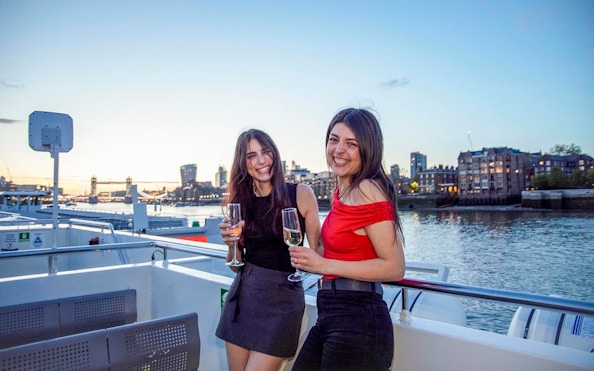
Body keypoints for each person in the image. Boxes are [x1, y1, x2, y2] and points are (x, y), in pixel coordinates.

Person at [289, 108, 406, 371]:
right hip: (331, 314)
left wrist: (324, 266)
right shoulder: (342, 191)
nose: (338, 149)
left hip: (359, 321)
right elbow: (327, 249)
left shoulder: (367, 189)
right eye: (334, 139)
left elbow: (395, 267)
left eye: (351, 143)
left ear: (368, 148)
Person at [215, 129, 321, 371]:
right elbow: (235, 266)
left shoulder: (301, 194)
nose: (261, 161)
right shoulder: (240, 202)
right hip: (244, 296)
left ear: (275, 153)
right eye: (252, 156)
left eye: (266, 152)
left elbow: (319, 251)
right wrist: (231, 243)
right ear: (243, 163)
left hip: (282, 300)